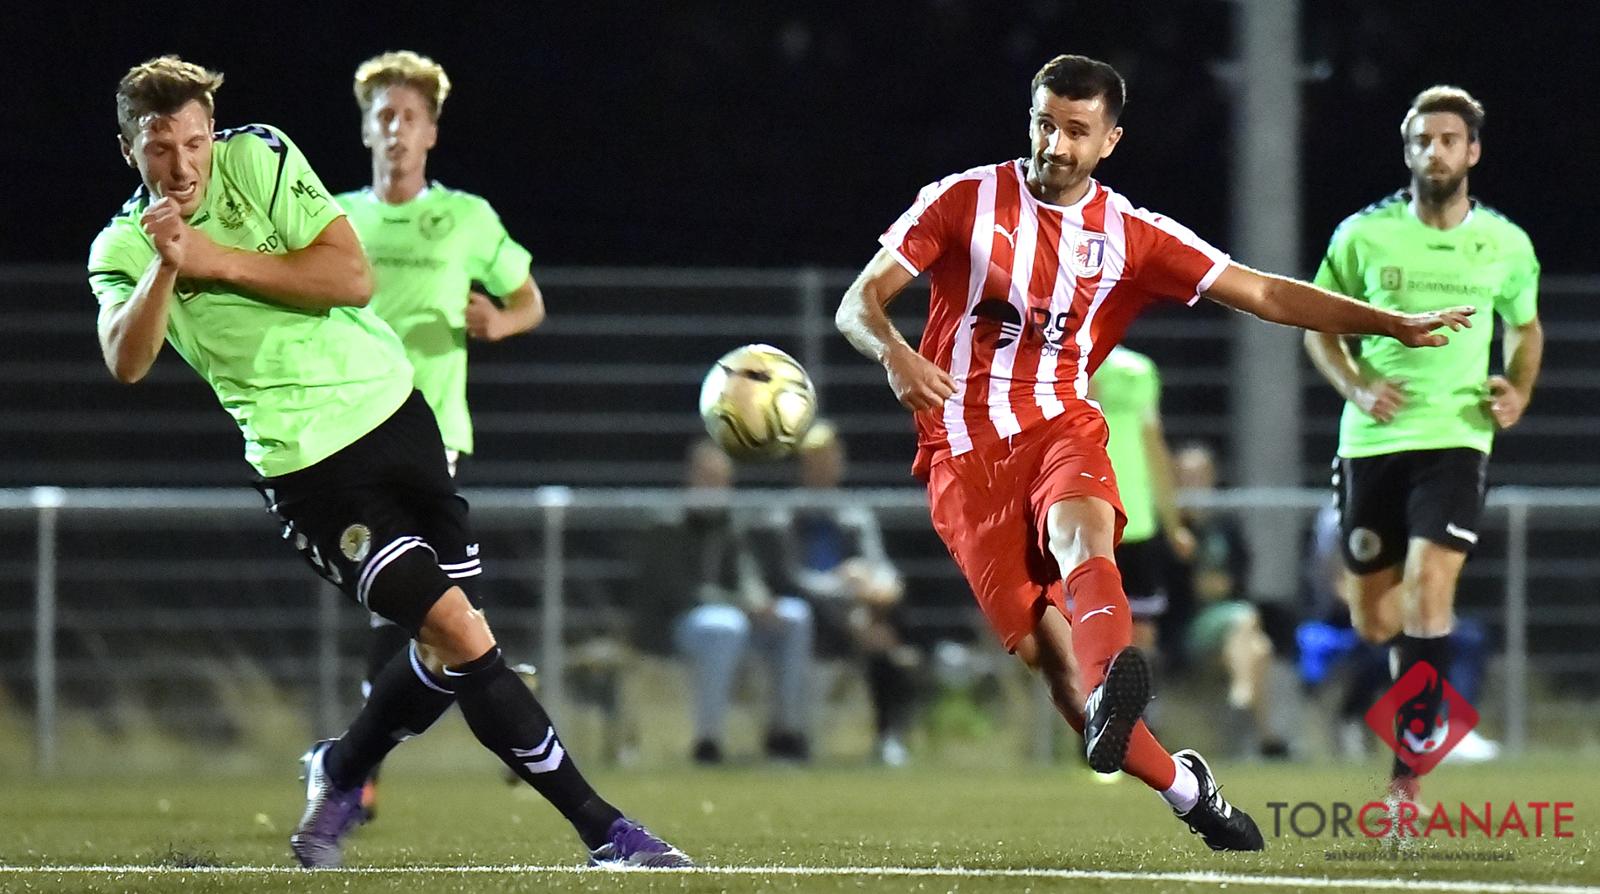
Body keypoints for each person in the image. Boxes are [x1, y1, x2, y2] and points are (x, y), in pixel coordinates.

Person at [834, 53, 1472, 852]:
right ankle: (1187, 789)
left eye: (1076, 131)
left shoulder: (1130, 235)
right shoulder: (965, 199)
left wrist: (1388, 323)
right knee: (1054, 668)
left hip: (1059, 424)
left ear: (1109, 140)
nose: (1056, 145)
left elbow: (1263, 292)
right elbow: (858, 302)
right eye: (1044, 124)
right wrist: (894, 353)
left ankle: (1114, 681)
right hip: (960, 457)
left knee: (1082, 536)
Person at [87, 56, 687, 869]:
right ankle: (606, 831)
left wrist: (211, 258)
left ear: (213, 132)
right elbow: (126, 359)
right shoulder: (121, 246)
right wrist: (167, 262)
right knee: (462, 637)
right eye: (161, 149)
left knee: (448, 650)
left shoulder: (259, 155)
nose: (184, 165)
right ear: (130, 150)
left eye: (195, 142)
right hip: (312, 468)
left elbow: (350, 276)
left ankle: (340, 769)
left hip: (401, 416)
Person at [1303, 85, 1540, 803]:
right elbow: (1320, 329)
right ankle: (1423, 684)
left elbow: (1523, 327)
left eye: (1447, 140)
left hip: (1457, 437)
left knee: (1432, 587)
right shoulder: (1363, 235)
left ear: (1473, 151)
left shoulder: (1505, 243)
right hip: (1372, 442)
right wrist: (1357, 388)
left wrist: (1517, 389)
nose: (1434, 151)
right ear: (1407, 152)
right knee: (1376, 619)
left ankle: (1405, 785)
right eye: (1422, 141)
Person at [336, 50, 548, 821]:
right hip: (349, 429)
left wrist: (500, 322)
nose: (396, 129)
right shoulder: (335, 219)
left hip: (432, 437)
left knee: (407, 606)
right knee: (416, 607)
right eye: (384, 117)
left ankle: (360, 770)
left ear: (431, 133)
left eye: (410, 118)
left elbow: (529, 301)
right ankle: (499, 690)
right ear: (367, 129)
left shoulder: (466, 217)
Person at [635, 439, 814, 764]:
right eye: (706, 477)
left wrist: (761, 602)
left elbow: (747, 573)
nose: (714, 487)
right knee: (724, 626)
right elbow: (678, 592)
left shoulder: (732, 522)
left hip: (736, 618)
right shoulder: (667, 524)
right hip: (677, 624)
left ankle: (785, 734)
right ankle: (708, 742)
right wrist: (742, 606)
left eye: (720, 479)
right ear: (690, 478)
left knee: (794, 616)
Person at [759, 421, 921, 766]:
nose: (824, 465)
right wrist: (844, 586)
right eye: (815, 458)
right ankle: (787, 740)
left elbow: (879, 565)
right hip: (809, 616)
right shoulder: (783, 516)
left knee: (883, 629)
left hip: (855, 615)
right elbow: (790, 579)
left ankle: (888, 738)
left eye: (830, 457)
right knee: (860, 627)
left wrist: (886, 584)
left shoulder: (854, 515)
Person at [1169, 443, 1290, 759]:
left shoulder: (1226, 525)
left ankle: (1258, 726)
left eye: (1201, 475)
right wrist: (1196, 585)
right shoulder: (1170, 527)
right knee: (1247, 620)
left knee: (1259, 647)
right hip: (1187, 626)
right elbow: (1169, 588)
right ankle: (1258, 724)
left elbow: (1241, 574)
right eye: (1187, 476)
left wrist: (1223, 585)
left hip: (1229, 625)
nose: (1194, 483)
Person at [1087, 347, 1194, 663]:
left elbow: (1153, 445)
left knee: (1141, 630)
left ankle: (1132, 694)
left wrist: (1173, 525)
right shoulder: (1054, 367)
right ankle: (1085, 693)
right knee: (1082, 626)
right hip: (1080, 523)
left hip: (1135, 524)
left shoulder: (1136, 370)